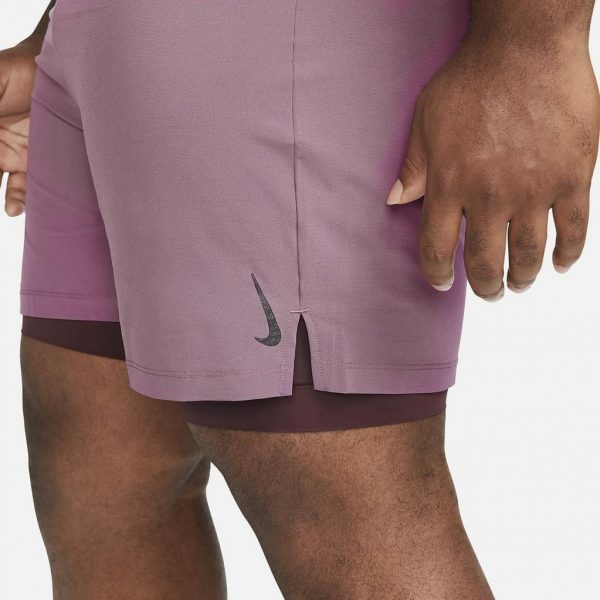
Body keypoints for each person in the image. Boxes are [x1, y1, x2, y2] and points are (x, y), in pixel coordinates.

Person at [1, 1, 597, 598]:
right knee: (103, 482)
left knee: (349, 529)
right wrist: (63, 30)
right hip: (101, 45)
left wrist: (530, 47)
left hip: (287, 41)